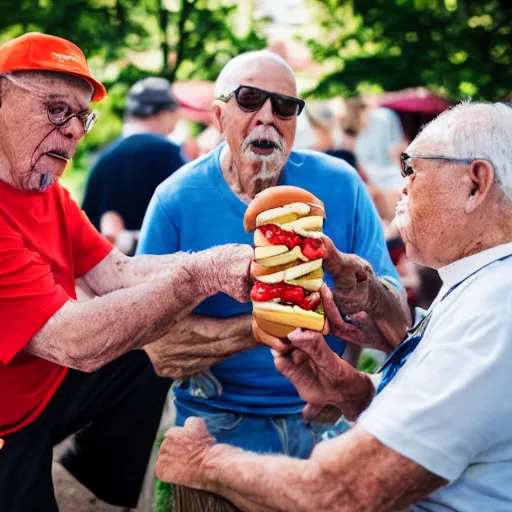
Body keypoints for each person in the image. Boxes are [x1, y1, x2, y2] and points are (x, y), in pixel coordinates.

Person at [155, 101, 512, 511]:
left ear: (475, 183)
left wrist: (204, 462)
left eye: (411, 168)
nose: (402, 188)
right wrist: (352, 388)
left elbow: (338, 493)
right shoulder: (480, 287)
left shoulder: (495, 314)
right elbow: (445, 414)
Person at [0, 32, 256, 512]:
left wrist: (226, 263)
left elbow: (117, 272)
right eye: (56, 110)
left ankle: (96, 484)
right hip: (5, 424)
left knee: (143, 343)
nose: (75, 130)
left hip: (42, 391)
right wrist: (202, 274)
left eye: (81, 116)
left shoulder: (48, 192)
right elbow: (74, 341)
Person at [137, 50, 409, 459]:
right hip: (217, 416)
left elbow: (398, 327)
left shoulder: (340, 184)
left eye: (284, 106)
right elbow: (156, 349)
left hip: (327, 421)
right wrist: (277, 317)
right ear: (218, 116)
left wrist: (365, 288)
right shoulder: (176, 198)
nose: (267, 116)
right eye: (249, 99)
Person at [81, 77, 184, 253]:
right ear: (164, 113)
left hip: (108, 272)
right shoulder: (170, 154)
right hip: (159, 269)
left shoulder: (103, 160)